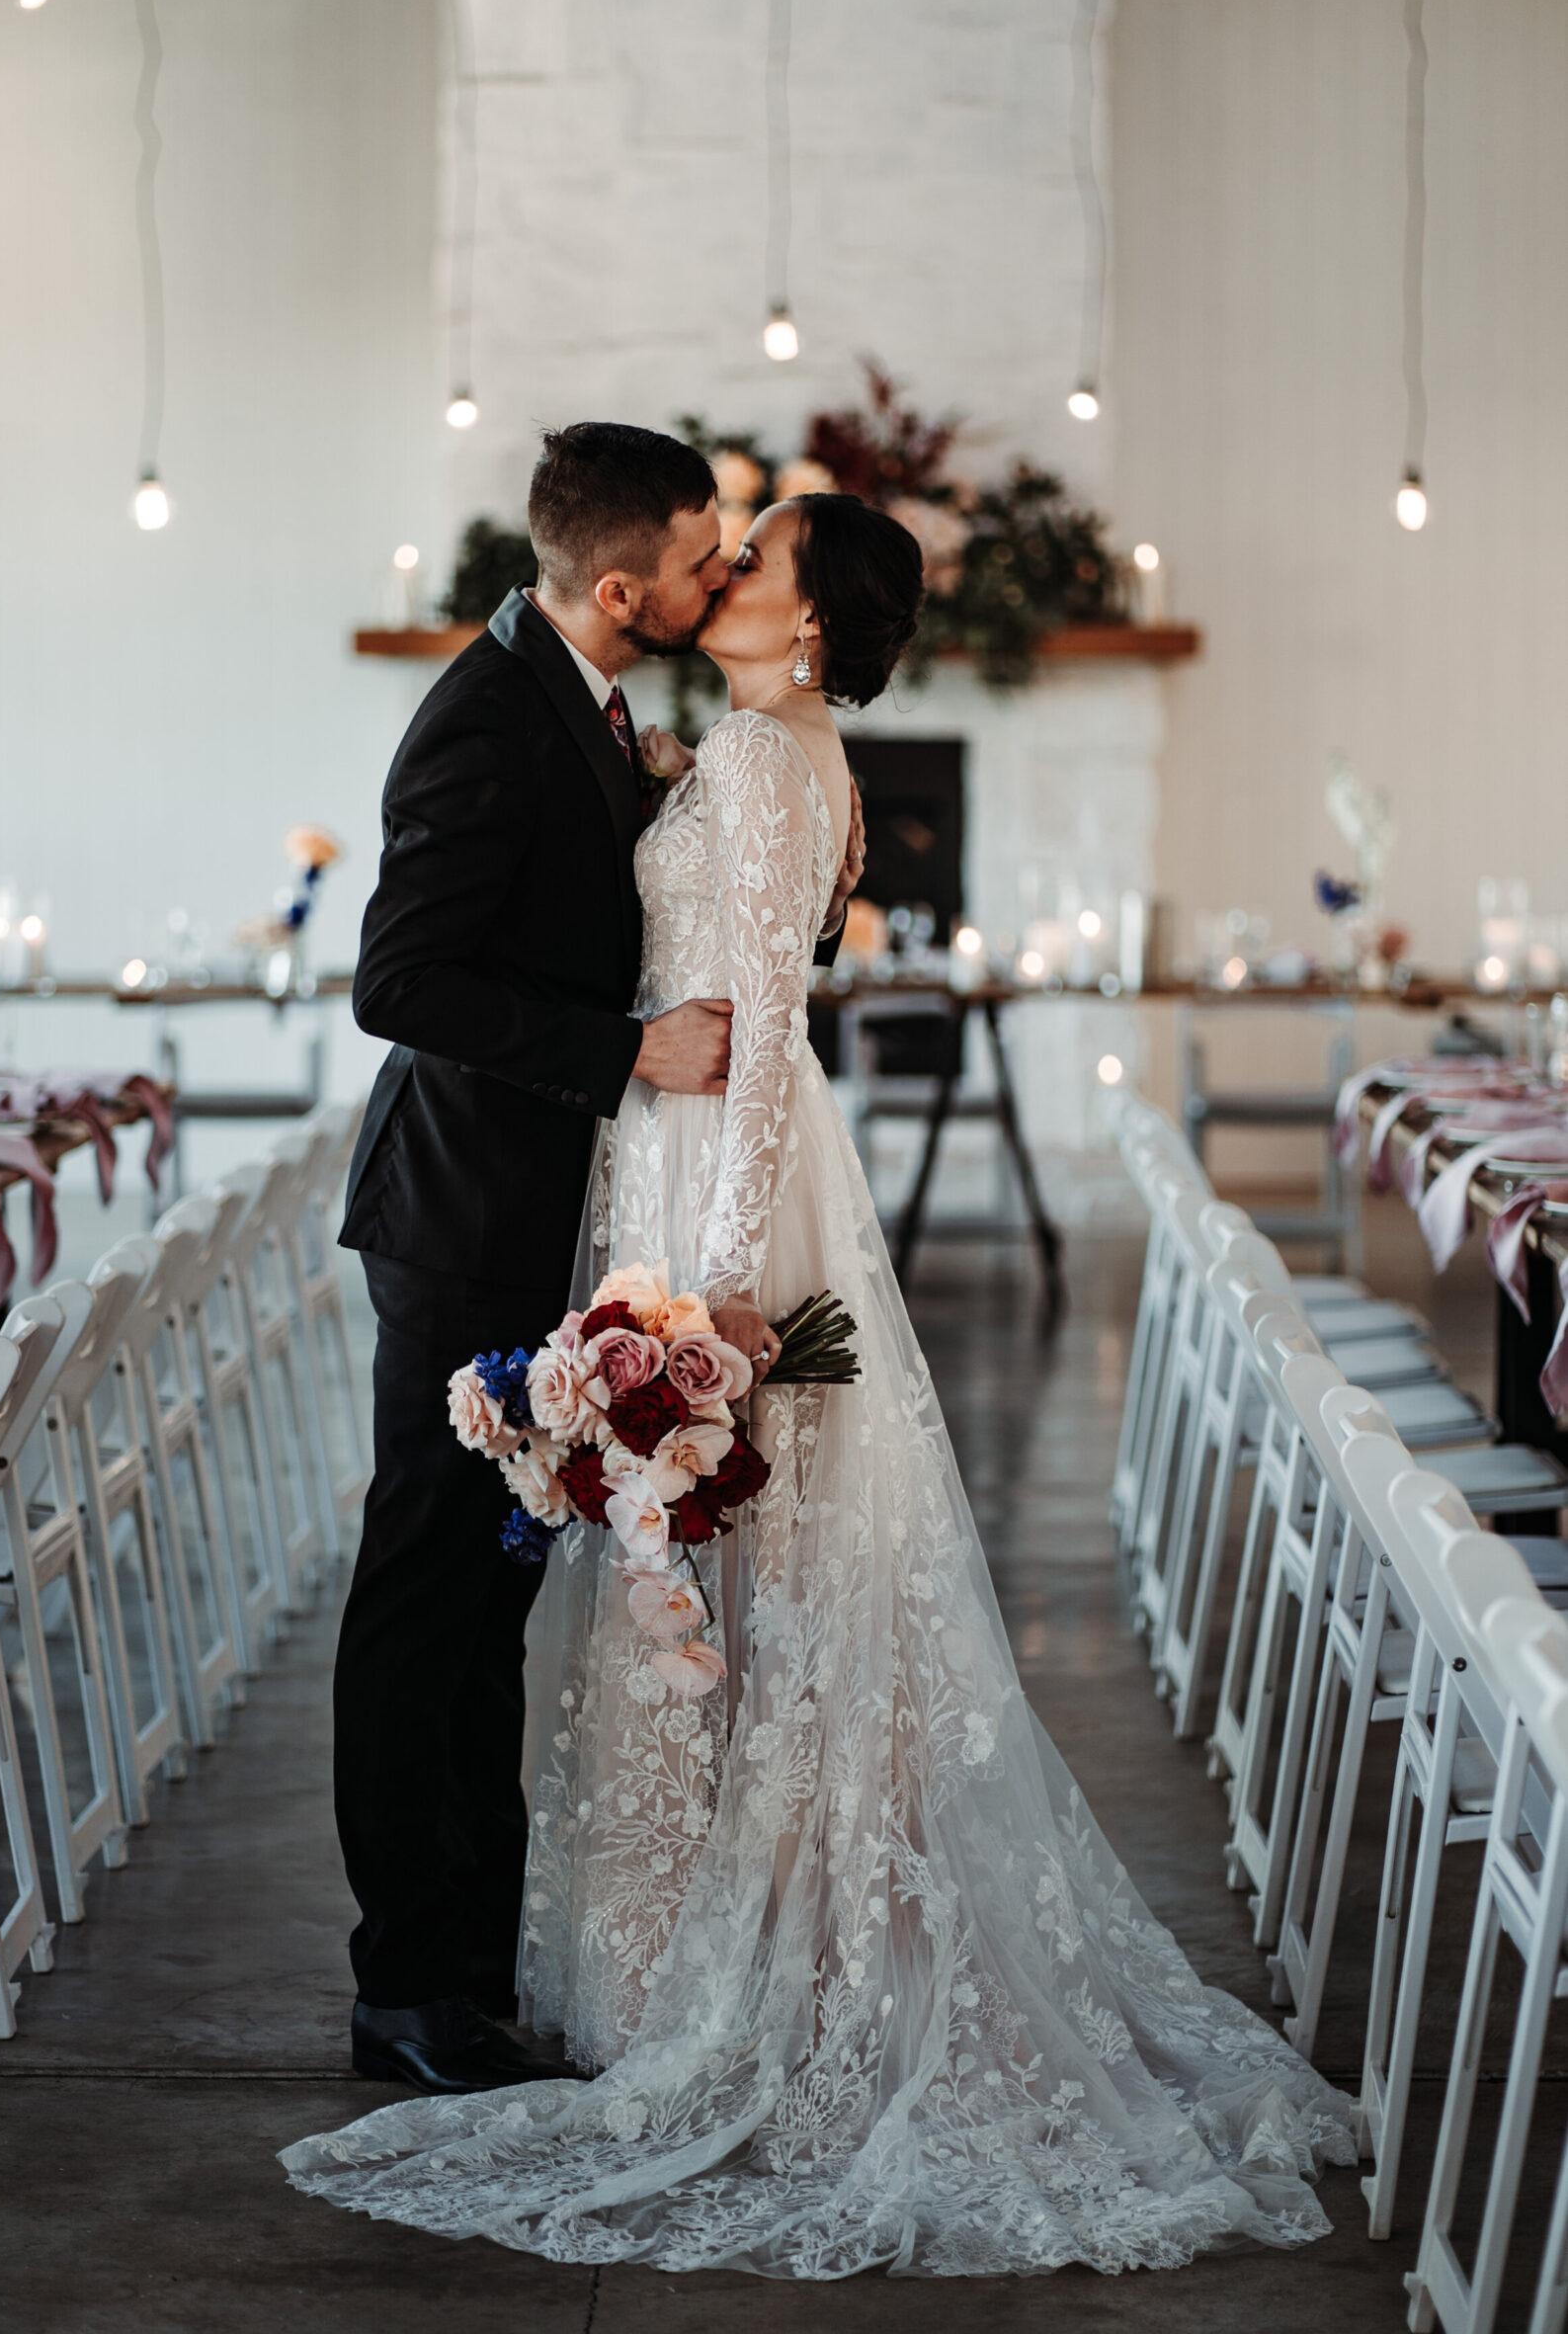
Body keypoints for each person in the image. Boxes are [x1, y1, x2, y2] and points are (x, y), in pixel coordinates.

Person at [288, 489, 1355, 2279]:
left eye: (754, 553)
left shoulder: (775, 765)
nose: (725, 570)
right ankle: (608, 1957)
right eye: (714, 547)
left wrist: (714, 1291)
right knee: (626, 1578)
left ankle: (730, 1963)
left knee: (739, 1580)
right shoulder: (730, 743)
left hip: (716, 1185)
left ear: (805, 612)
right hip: (641, 1168)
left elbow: (768, 1028)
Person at [331, 426, 863, 2100]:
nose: (721, 577)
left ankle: (471, 1968)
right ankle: (410, 1986)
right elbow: (398, 983)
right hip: (464, 1219)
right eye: (707, 557)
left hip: (556, 1213)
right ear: (623, 585)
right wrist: (626, 1051)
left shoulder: (600, 698)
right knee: (428, 1591)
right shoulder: (484, 720)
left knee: (487, 1595)